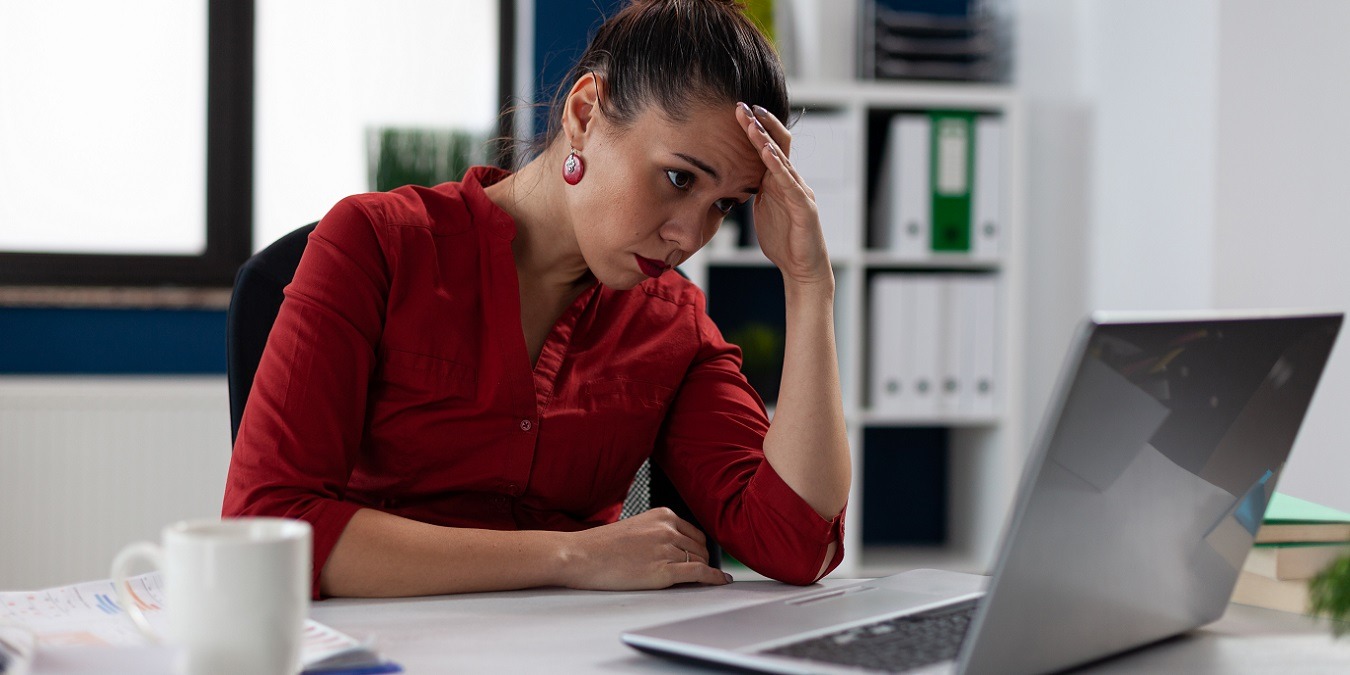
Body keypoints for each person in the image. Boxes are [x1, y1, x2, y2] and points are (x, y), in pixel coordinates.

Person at [224, 0, 850, 599]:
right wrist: (574, 555)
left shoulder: (674, 323)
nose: (688, 235)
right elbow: (267, 527)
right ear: (585, 114)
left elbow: (797, 545)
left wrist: (808, 283)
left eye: (723, 205)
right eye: (678, 178)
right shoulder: (377, 246)